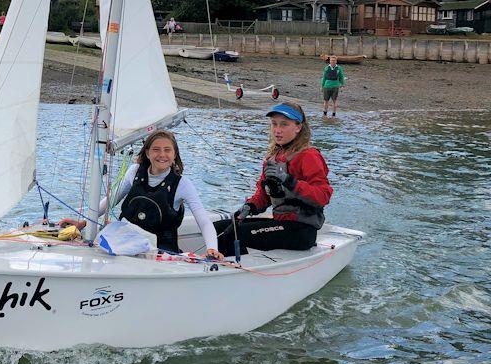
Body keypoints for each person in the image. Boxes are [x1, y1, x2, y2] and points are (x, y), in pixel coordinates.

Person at [208, 102, 333, 260]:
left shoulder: (309, 156)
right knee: (220, 227)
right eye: (274, 124)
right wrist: (250, 206)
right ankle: (232, 265)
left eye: (284, 125)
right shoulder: (272, 159)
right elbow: (263, 195)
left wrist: (289, 181)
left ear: (298, 127)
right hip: (281, 224)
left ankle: (231, 269)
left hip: (301, 230)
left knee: (236, 233)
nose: (277, 130)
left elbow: (323, 196)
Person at [60, 130, 219, 255]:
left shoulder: (183, 184)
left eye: (167, 150)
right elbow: (110, 200)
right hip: (125, 244)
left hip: (159, 253)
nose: (162, 155)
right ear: (148, 153)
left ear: (174, 154)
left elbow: (203, 221)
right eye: (156, 149)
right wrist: (83, 222)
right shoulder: (135, 171)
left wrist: (212, 248)